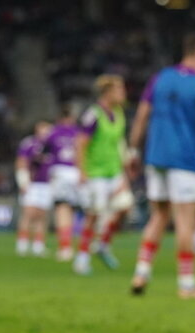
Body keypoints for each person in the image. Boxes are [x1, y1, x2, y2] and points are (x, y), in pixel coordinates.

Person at [127, 31, 195, 299]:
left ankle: (141, 273)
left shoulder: (160, 78)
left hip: (156, 157)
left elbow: (142, 116)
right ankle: (187, 285)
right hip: (185, 160)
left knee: (158, 216)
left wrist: (132, 149)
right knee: (186, 221)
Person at [74, 75, 129, 275]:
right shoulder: (93, 114)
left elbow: (119, 143)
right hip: (95, 172)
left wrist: (125, 169)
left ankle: (103, 245)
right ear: (108, 92)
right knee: (93, 214)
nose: (123, 94)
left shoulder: (119, 113)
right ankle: (82, 258)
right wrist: (81, 170)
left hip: (114, 171)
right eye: (119, 89)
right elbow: (81, 142)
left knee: (124, 208)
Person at [43, 106, 81, 261]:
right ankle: (72, 246)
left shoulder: (53, 132)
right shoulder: (78, 132)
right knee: (71, 210)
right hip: (76, 172)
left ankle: (64, 247)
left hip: (60, 172)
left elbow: (43, 151)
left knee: (61, 209)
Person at [15, 120, 54, 257]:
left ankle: (38, 245)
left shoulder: (52, 146)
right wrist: (23, 181)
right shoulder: (29, 143)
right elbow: (21, 161)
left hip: (47, 184)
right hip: (32, 184)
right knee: (29, 213)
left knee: (42, 215)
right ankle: (22, 243)